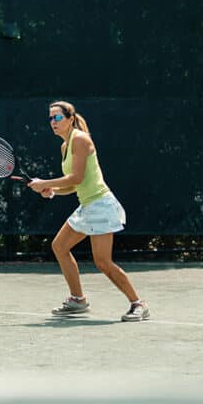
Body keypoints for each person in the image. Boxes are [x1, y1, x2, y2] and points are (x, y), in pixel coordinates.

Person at [26, 101, 149, 322]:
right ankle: (78, 300)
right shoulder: (65, 146)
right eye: (50, 118)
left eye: (57, 118)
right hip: (87, 206)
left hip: (101, 205)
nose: (52, 122)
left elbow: (77, 178)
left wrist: (45, 181)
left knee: (102, 262)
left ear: (70, 119)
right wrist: (52, 190)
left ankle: (138, 304)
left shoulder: (81, 140)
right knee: (60, 246)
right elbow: (74, 186)